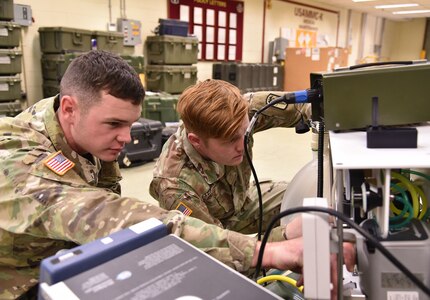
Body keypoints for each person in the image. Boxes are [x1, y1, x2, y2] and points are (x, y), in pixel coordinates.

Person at [0, 50, 353, 299]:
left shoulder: (91, 134)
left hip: (78, 260)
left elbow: (289, 107)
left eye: (129, 124)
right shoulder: (16, 157)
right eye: (114, 124)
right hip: (27, 285)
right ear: (69, 108)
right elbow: (105, 214)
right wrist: (271, 250)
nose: (126, 138)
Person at [150, 79, 311, 241]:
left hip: (242, 199)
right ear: (196, 141)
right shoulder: (175, 187)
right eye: (231, 140)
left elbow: (302, 107)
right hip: (212, 226)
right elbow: (218, 248)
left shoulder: (239, 112)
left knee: (307, 196)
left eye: (245, 131)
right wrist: (284, 235)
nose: (242, 145)